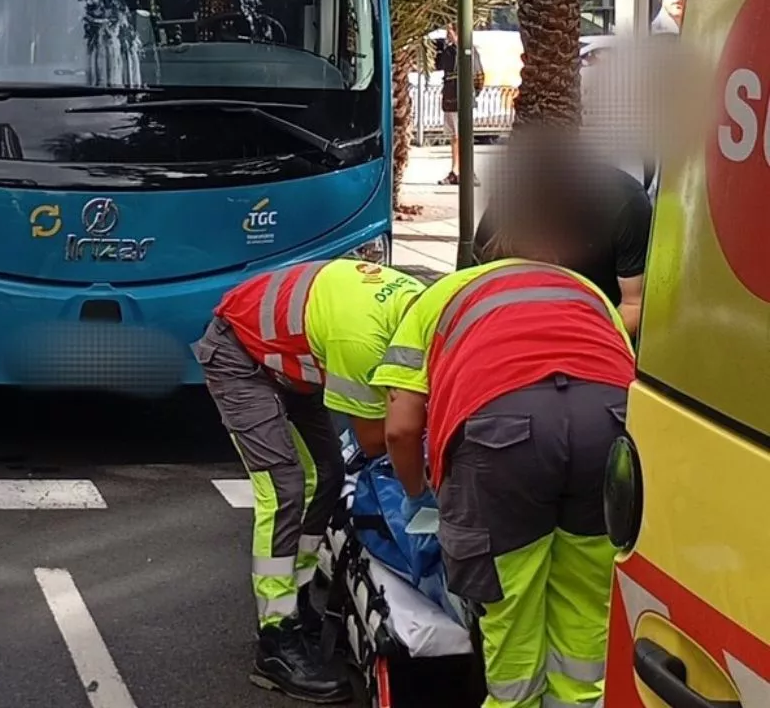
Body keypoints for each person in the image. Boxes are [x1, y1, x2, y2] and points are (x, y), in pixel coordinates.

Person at [369, 131, 636, 708]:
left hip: (503, 436)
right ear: (553, 260)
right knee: (585, 613)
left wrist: (418, 495)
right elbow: (625, 374)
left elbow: (401, 426)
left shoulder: (445, 294)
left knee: (512, 625)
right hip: (608, 429)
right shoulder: (588, 292)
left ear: (488, 257)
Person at [193, 258, 426, 703]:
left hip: (293, 360)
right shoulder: (361, 340)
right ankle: (275, 638)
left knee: (327, 475)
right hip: (240, 356)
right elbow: (378, 440)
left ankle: (295, 599)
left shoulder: (417, 307)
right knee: (284, 488)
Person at [473, 164, 651, 337]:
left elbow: (633, 305)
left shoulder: (624, 202)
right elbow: (479, 294)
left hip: (591, 334)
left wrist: (576, 343)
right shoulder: (509, 198)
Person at [435, 22, 484, 186]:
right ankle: (455, 171)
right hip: (450, 99)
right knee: (454, 136)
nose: (447, 35)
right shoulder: (449, 51)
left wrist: (472, 94)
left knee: (462, 135)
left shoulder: (469, 51)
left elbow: (479, 76)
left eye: (450, 32)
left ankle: (467, 171)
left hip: (462, 99)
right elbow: (439, 65)